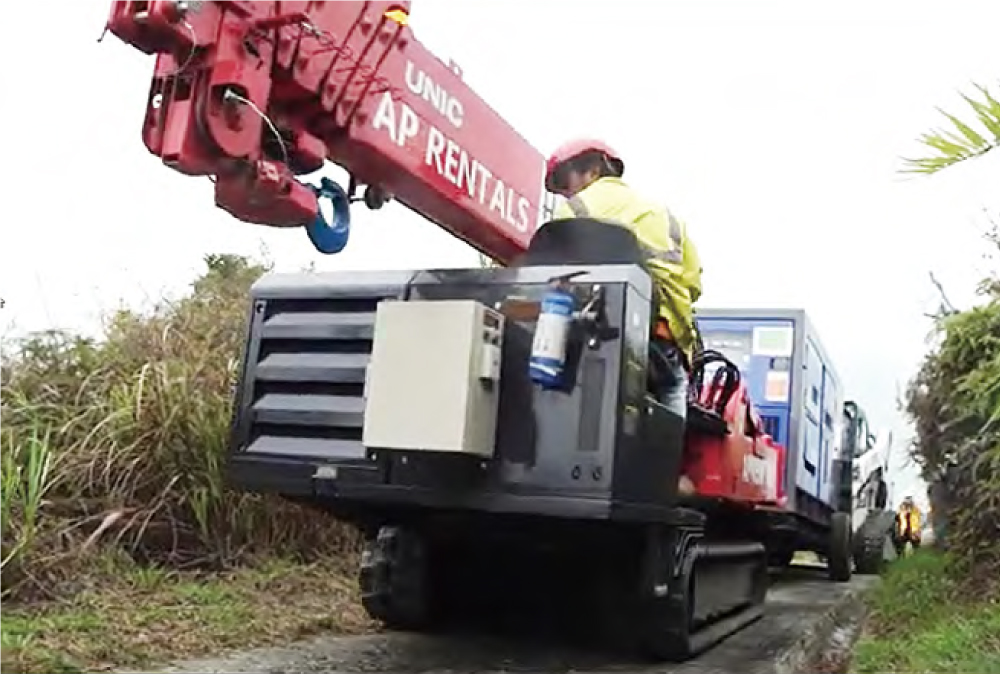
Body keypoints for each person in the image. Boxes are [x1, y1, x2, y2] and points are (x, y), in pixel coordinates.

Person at [543, 138, 703, 416]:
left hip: (600, 338)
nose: (565, 194)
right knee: (672, 397)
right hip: (663, 342)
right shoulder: (667, 217)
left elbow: (552, 272)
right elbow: (693, 285)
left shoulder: (574, 210)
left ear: (592, 170)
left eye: (564, 182)